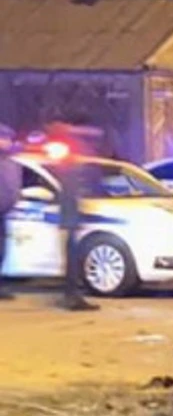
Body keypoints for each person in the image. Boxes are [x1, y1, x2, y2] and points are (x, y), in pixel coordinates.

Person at [49, 123, 99, 312]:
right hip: (68, 221)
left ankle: (73, 295)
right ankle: (72, 297)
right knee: (71, 260)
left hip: (71, 220)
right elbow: (68, 195)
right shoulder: (67, 167)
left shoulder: (68, 167)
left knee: (73, 259)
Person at [0, 125, 18, 301]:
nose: (5, 141)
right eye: (2, 138)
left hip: (5, 212)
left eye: (7, 139)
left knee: (2, 251)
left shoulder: (11, 162)